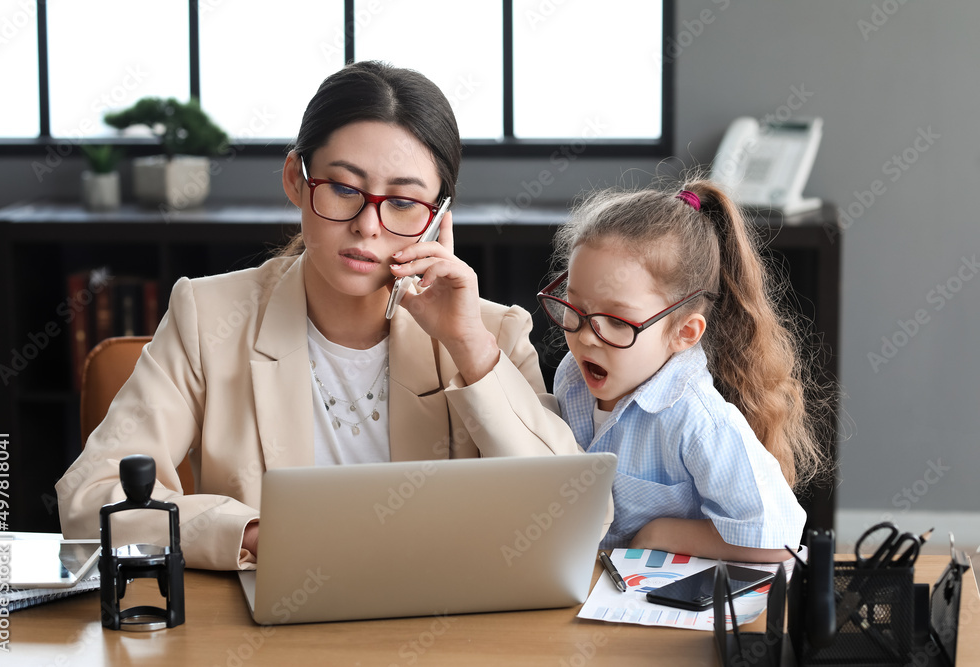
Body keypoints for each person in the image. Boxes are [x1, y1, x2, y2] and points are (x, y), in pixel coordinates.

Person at [56, 61, 591, 570]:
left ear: (438, 219)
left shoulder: (489, 332)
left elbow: (571, 514)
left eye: (404, 202)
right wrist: (253, 536)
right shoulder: (207, 316)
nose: (368, 226)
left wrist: (468, 347)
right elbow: (90, 500)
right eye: (342, 189)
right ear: (295, 178)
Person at [539, 182, 828, 562]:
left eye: (615, 320)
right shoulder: (571, 379)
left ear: (683, 332)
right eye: (575, 308)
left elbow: (779, 542)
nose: (588, 338)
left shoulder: (698, 420)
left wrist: (660, 534)